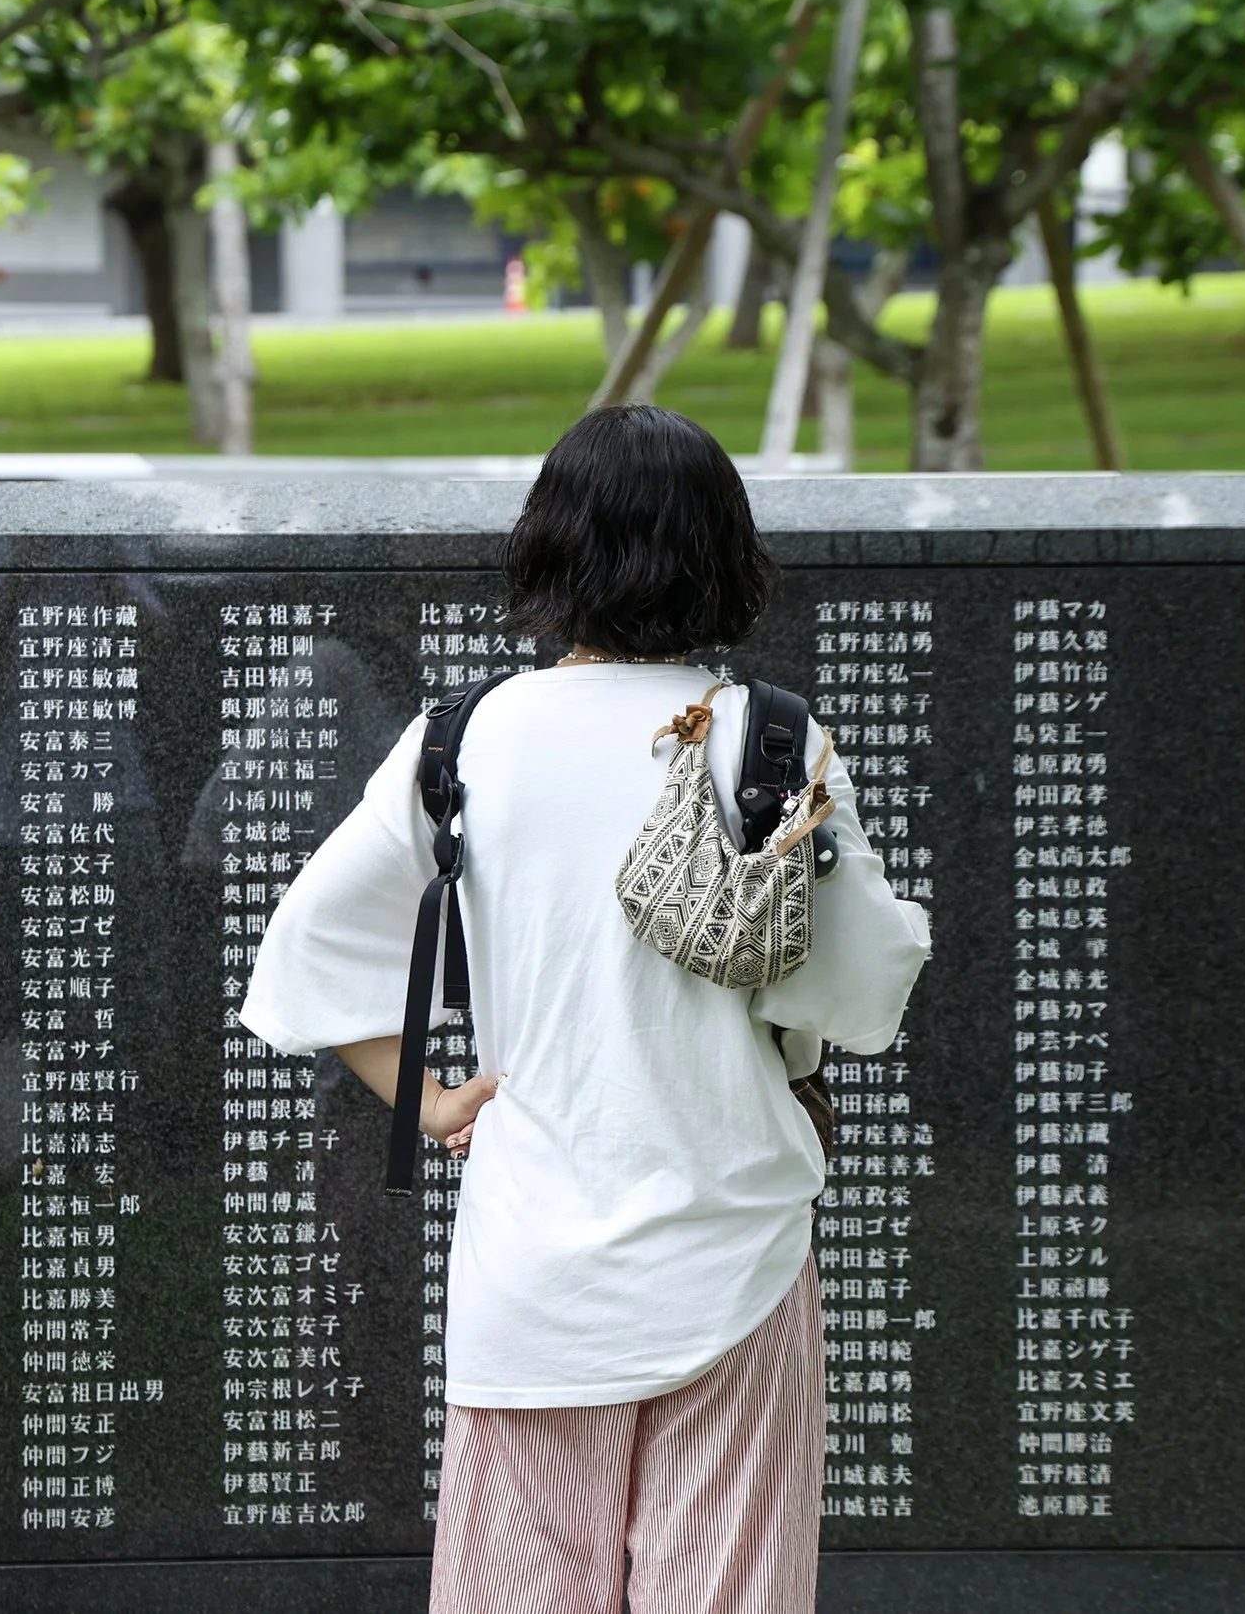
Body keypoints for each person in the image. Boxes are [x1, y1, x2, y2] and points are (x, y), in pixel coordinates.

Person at [240, 405, 929, 1614]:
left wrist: (438, 1095)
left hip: (533, 1260)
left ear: (549, 549)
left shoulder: (462, 738)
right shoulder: (771, 739)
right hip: (735, 1245)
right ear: (724, 549)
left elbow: (306, 946)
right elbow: (864, 992)